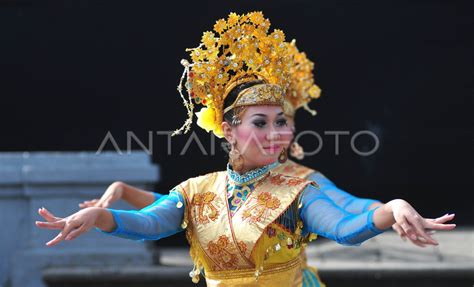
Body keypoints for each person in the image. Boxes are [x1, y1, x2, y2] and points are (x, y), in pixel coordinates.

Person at [36, 12, 455, 287]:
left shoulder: (299, 189)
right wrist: (100, 215)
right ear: (229, 132)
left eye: (282, 122)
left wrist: (391, 208)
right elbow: (150, 223)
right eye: (261, 123)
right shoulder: (197, 190)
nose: (277, 133)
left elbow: (344, 224)